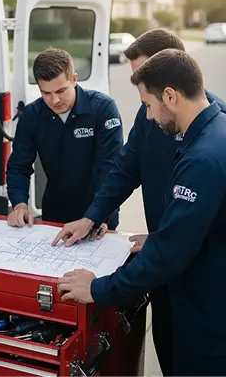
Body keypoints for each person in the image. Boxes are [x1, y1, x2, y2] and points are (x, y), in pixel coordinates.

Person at [52, 28, 226, 377]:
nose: (145, 114)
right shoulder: (207, 127)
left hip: (204, 303)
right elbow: (126, 169)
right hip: (174, 273)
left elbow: (173, 251)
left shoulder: (203, 155)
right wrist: (92, 217)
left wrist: (99, 289)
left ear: (170, 91)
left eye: (146, 101)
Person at [6, 47, 122, 230]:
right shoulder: (31, 115)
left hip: (100, 215)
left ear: (74, 79)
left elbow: (110, 169)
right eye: (46, 93)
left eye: (61, 91)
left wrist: (99, 217)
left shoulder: (103, 109)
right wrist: (19, 204)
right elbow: (18, 166)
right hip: (55, 213)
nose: (54, 100)